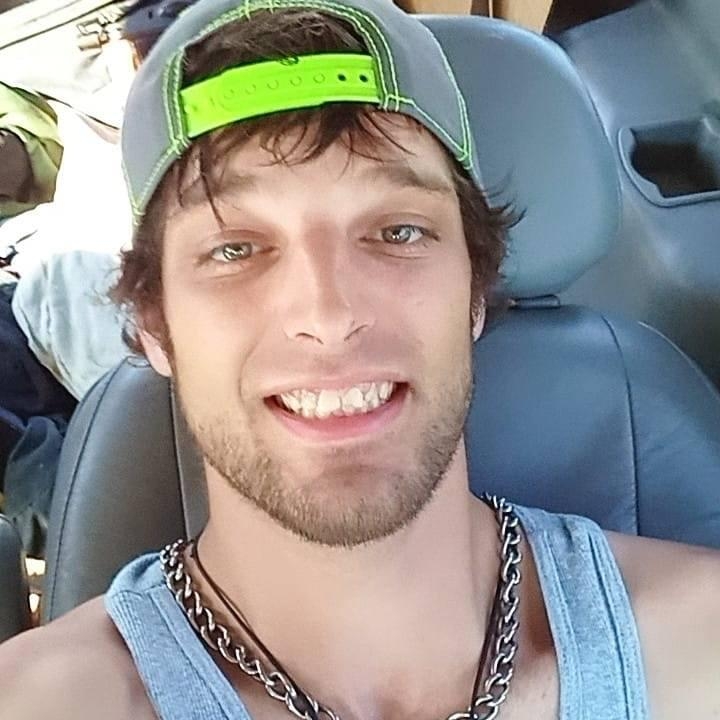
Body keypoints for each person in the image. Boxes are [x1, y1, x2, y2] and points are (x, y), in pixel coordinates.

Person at [2, 0, 720, 718]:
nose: (328, 316)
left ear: (475, 291)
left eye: (398, 231)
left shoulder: (698, 641)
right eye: (235, 249)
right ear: (156, 326)